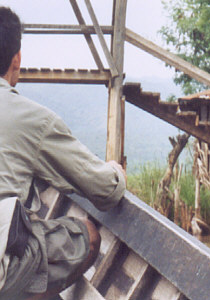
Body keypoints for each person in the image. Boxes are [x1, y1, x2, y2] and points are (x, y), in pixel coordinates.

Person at [0, 7, 126, 299]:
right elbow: (105, 190)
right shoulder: (32, 120)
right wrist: (116, 173)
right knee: (87, 236)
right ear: (16, 58)